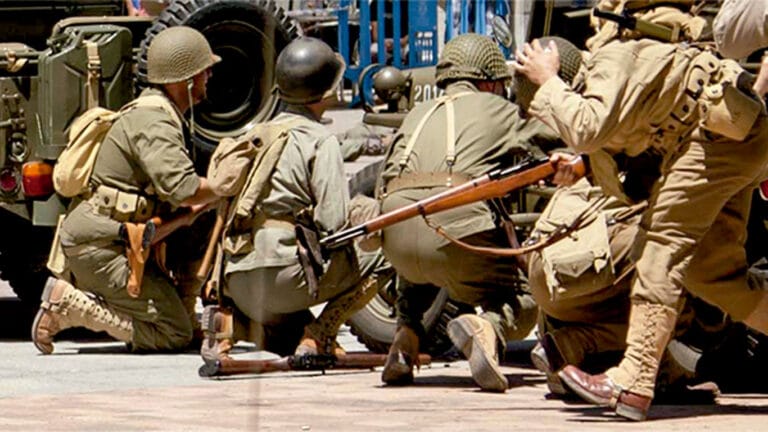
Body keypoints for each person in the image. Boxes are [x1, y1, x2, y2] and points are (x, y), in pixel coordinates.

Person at [513, 0, 768, 421]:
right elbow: (635, 141)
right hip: (735, 137)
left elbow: (587, 127)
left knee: (661, 246)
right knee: (713, 275)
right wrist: (589, 167)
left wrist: (547, 82)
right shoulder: (653, 42)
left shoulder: (622, 53)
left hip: (715, 144)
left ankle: (632, 380)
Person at [378, 33, 557, 392]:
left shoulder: (415, 115)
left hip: (394, 233)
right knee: (525, 292)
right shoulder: (497, 109)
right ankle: (488, 326)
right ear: (490, 80)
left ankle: (406, 336)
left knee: (418, 266)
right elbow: (553, 133)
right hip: (456, 231)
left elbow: (386, 177)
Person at [32, 26, 221, 354]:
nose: (209, 77)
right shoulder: (154, 122)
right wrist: (225, 184)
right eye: (204, 71)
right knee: (172, 333)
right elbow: (184, 189)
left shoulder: (162, 114)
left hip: (125, 236)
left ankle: (186, 314)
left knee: (203, 218)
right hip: (101, 244)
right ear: (185, 81)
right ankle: (71, 307)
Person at [200, 37, 389, 361]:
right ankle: (321, 334)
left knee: (285, 322)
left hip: (235, 281)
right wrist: (367, 212)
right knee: (389, 248)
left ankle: (233, 327)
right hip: (282, 279)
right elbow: (334, 223)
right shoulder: (320, 142)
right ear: (327, 91)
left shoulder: (258, 134)